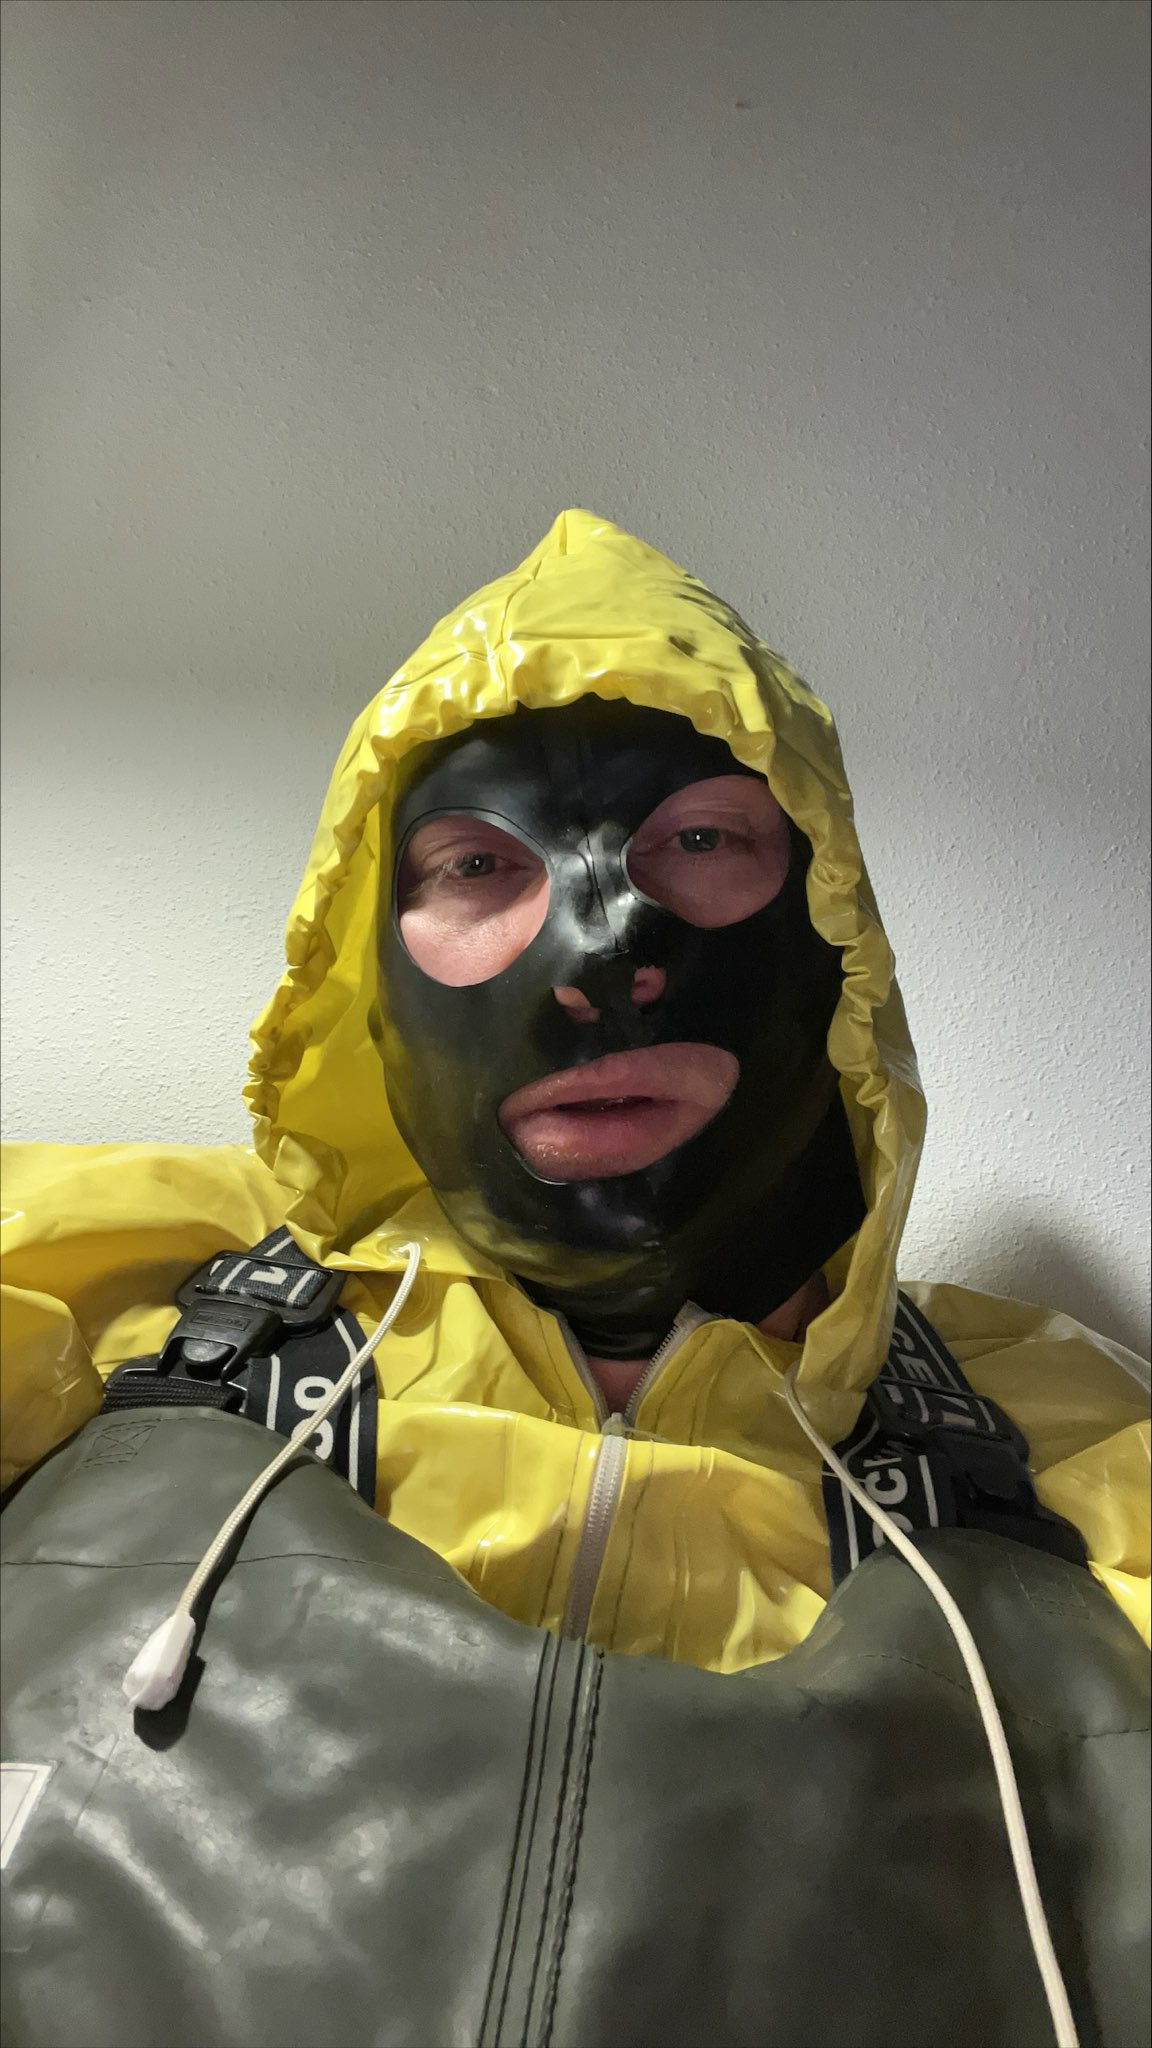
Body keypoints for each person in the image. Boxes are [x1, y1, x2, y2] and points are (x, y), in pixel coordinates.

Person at [1, 510, 1148, 2048]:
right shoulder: (107, 1286)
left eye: (700, 842)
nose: (600, 954)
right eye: (478, 864)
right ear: (369, 959)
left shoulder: (1066, 1445)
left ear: (835, 938)